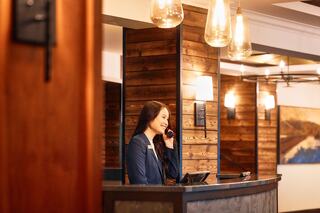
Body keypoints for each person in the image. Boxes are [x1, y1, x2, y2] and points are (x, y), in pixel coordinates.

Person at [127, 101, 179, 184]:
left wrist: (170, 148)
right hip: (149, 196)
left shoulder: (155, 144)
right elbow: (139, 182)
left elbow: (173, 174)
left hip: (158, 196)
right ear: (150, 116)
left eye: (167, 119)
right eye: (163, 117)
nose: (166, 123)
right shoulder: (137, 142)